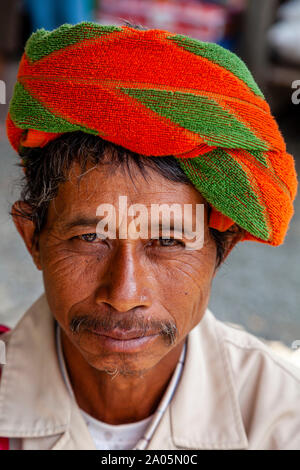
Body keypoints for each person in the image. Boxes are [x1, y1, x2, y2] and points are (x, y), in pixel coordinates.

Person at [0, 21, 299, 451]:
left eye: (169, 242)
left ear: (224, 246)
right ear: (32, 238)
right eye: (90, 238)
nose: (124, 293)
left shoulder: (282, 419)